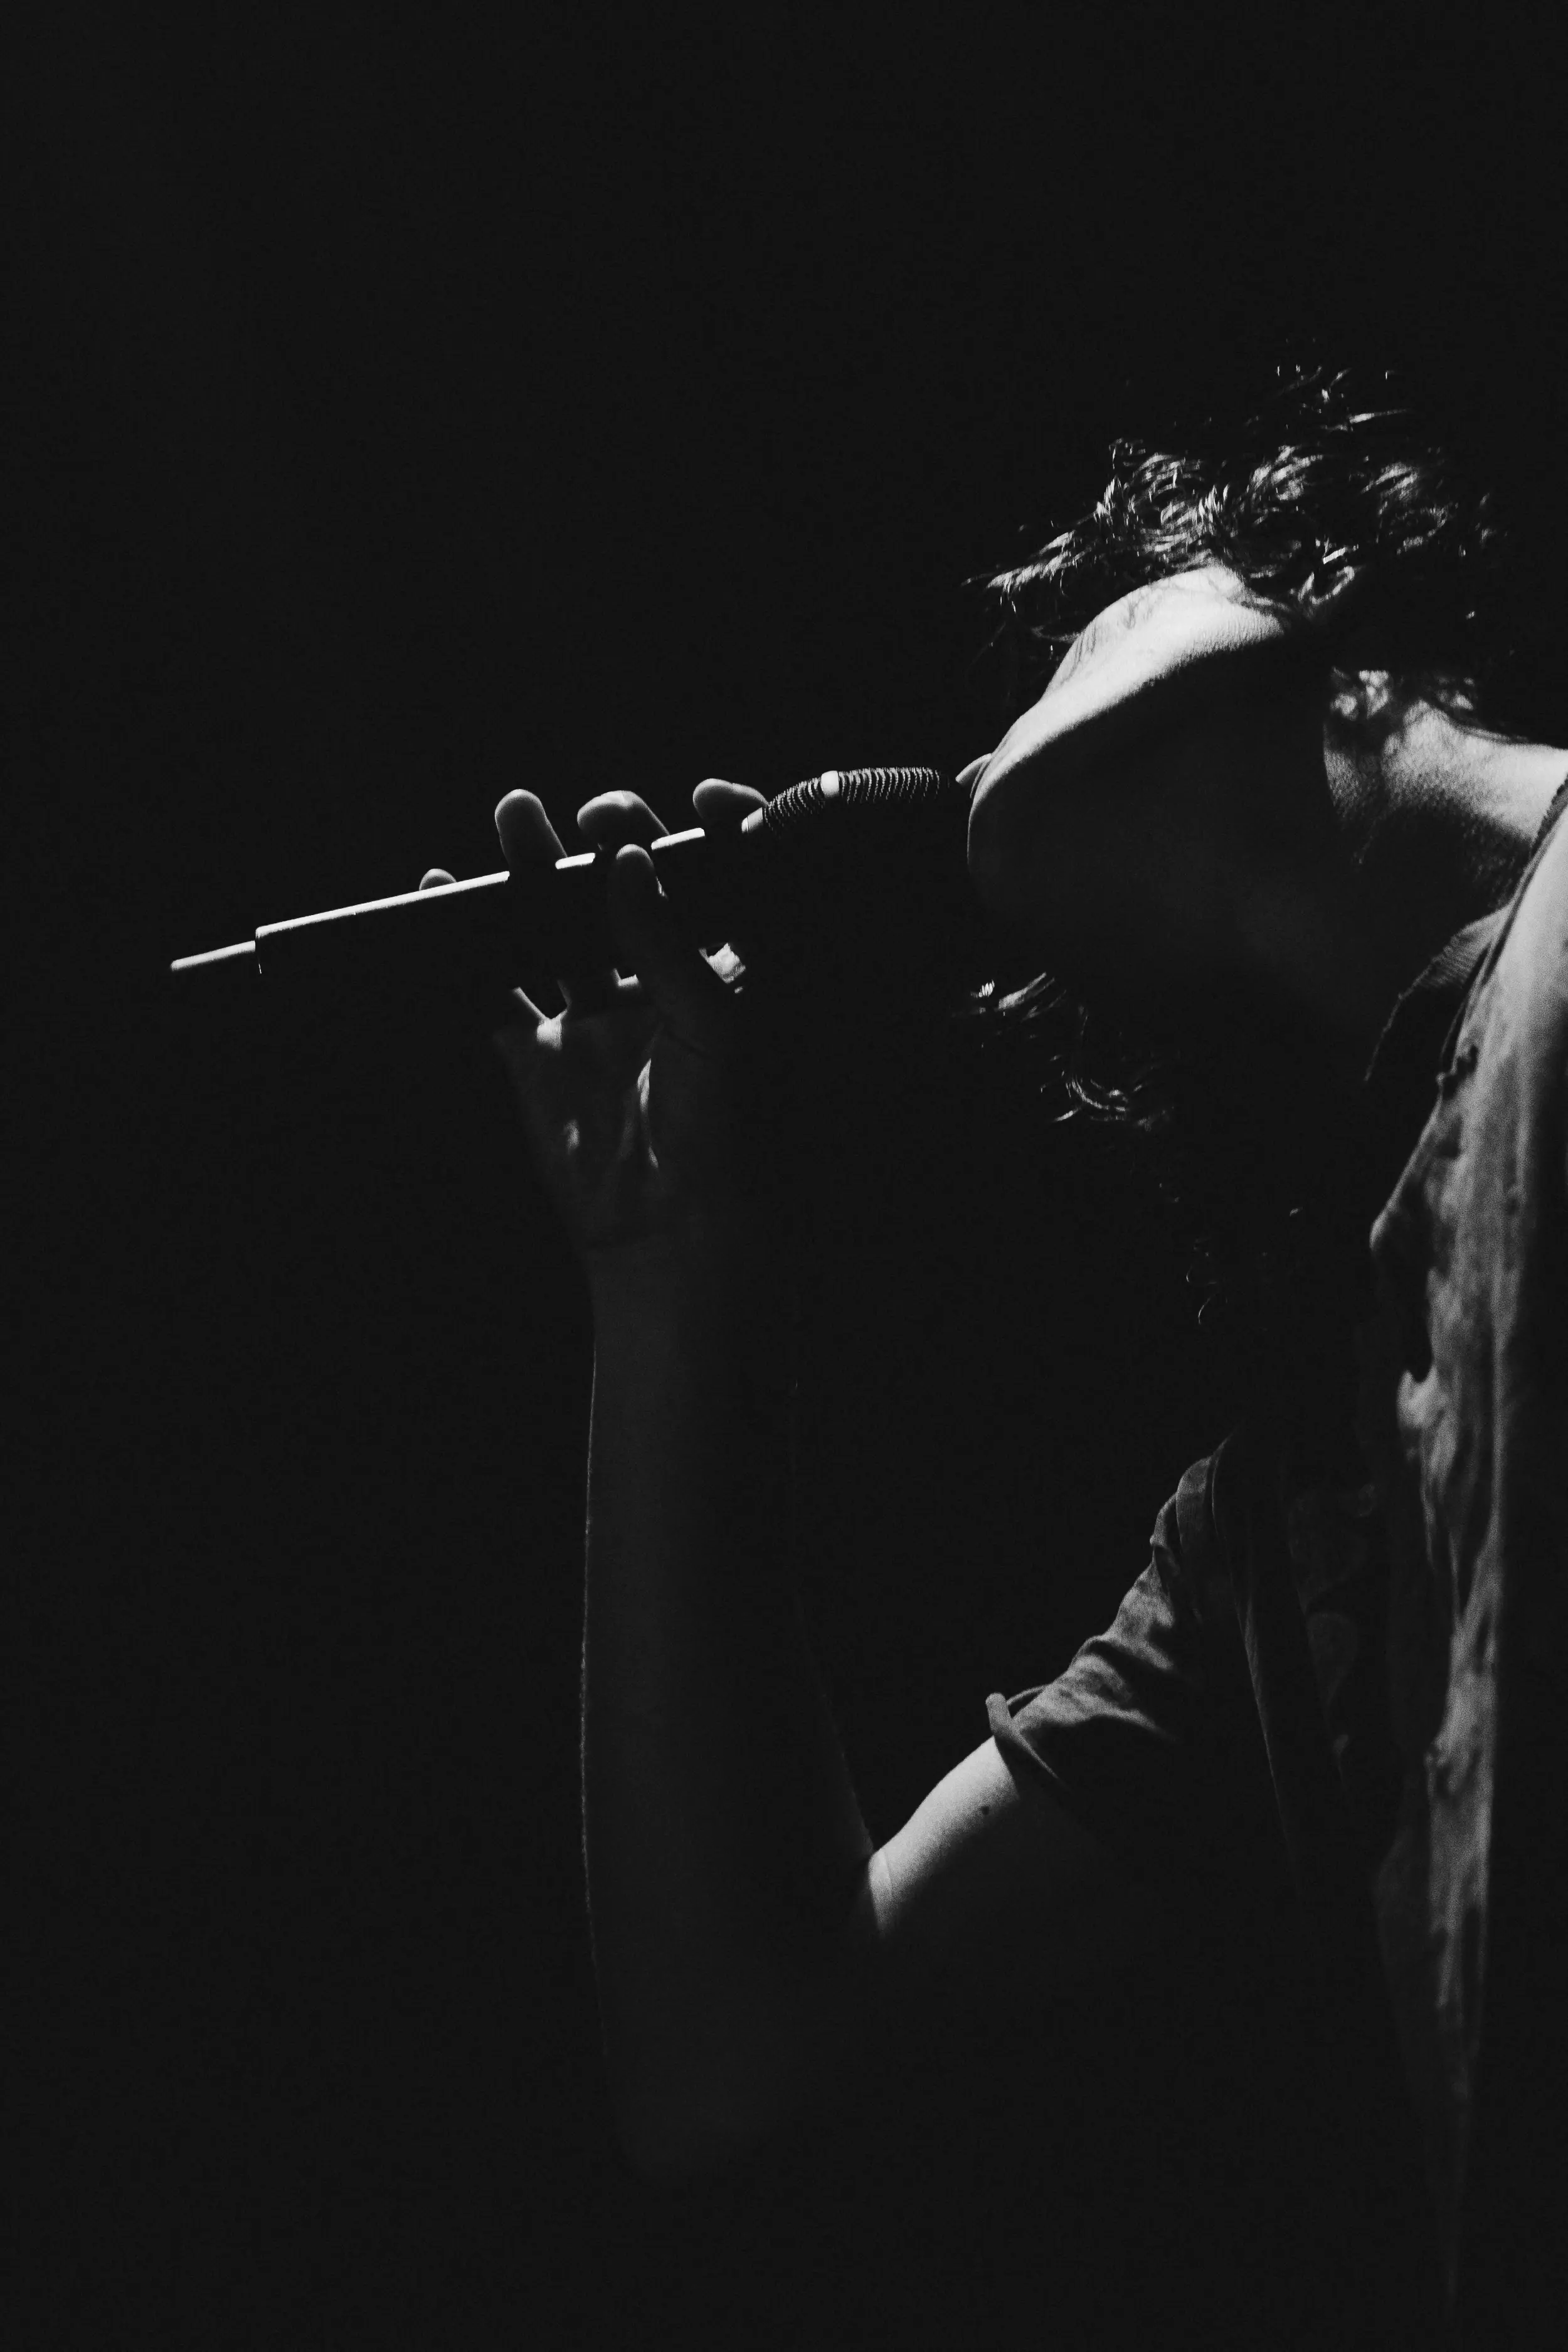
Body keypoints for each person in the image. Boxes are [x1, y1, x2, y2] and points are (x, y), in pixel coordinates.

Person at [422, 369, 1568, 2345]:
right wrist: (665, 1274)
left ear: (1322, 602)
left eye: (1100, 612)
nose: (1025, 703)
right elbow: (737, 2052)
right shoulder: (1302, 1504)